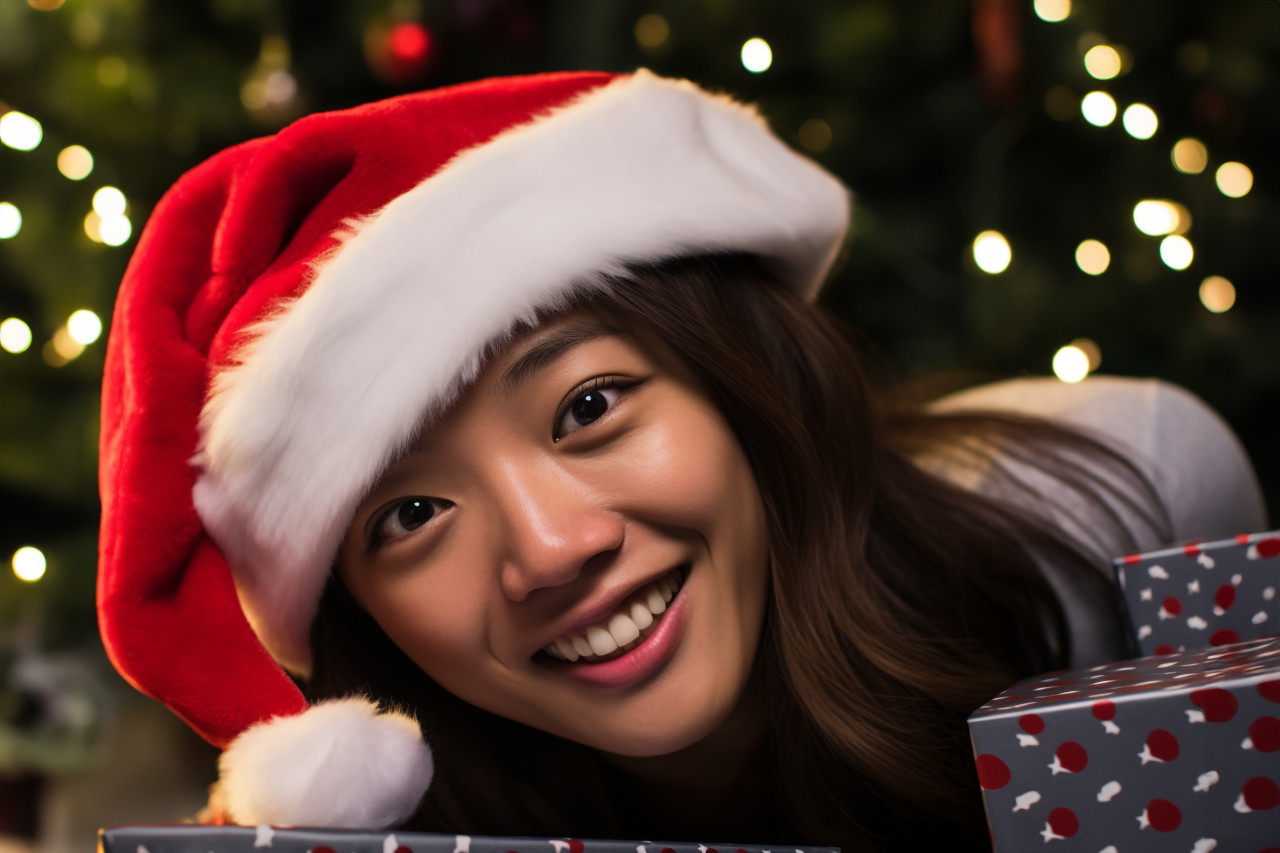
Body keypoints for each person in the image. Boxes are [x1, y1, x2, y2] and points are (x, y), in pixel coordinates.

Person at [97, 70, 1266, 849]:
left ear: (742, 381)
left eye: (589, 404)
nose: (552, 548)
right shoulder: (390, 813)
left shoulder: (1131, 491)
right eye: (405, 516)